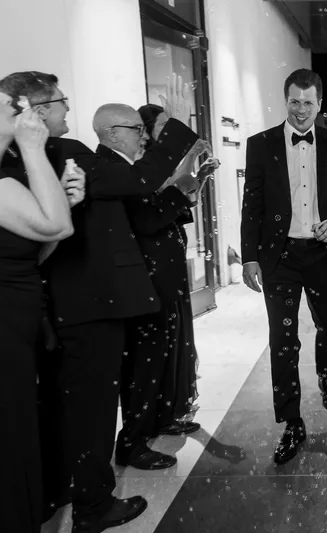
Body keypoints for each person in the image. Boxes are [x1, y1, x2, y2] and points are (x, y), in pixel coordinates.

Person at [0, 70, 200, 531]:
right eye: (62, 101)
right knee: (89, 409)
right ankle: (92, 504)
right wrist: (171, 131)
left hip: (63, 302)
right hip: (88, 302)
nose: (69, 109)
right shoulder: (64, 153)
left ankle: (60, 493)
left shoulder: (37, 159)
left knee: (67, 406)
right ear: (37, 109)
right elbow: (138, 182)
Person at [240, 68, 327, 465]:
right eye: (294, 101)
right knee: (283, 338)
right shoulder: (260, 145)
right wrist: (250, 255)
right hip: (281, 258)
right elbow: (252, 203)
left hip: (324, 254)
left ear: (319, 104)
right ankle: (291, 420)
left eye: (308, 102)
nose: (300, 109)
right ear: (285, 100)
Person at [114, 104, 213, 470]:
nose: (142, 136)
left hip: (165, 277)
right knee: (143, 364)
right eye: (138, 129)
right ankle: (134, 440)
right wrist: (179, 190)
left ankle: (161, 417)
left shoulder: (138, 169)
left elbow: (168, 210)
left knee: (163, 356)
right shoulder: (126, 172)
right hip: (147, 279)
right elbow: (147, 217)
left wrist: (188, 186)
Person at [0, 93, 73, 533]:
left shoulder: (9, 178)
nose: (17, 105)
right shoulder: (5, 181)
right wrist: (32, 147)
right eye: (8, 103)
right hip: (4, 328)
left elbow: (38, 249)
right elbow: (57, 227)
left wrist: (63, 200)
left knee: (17, 428)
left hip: (16, 325)